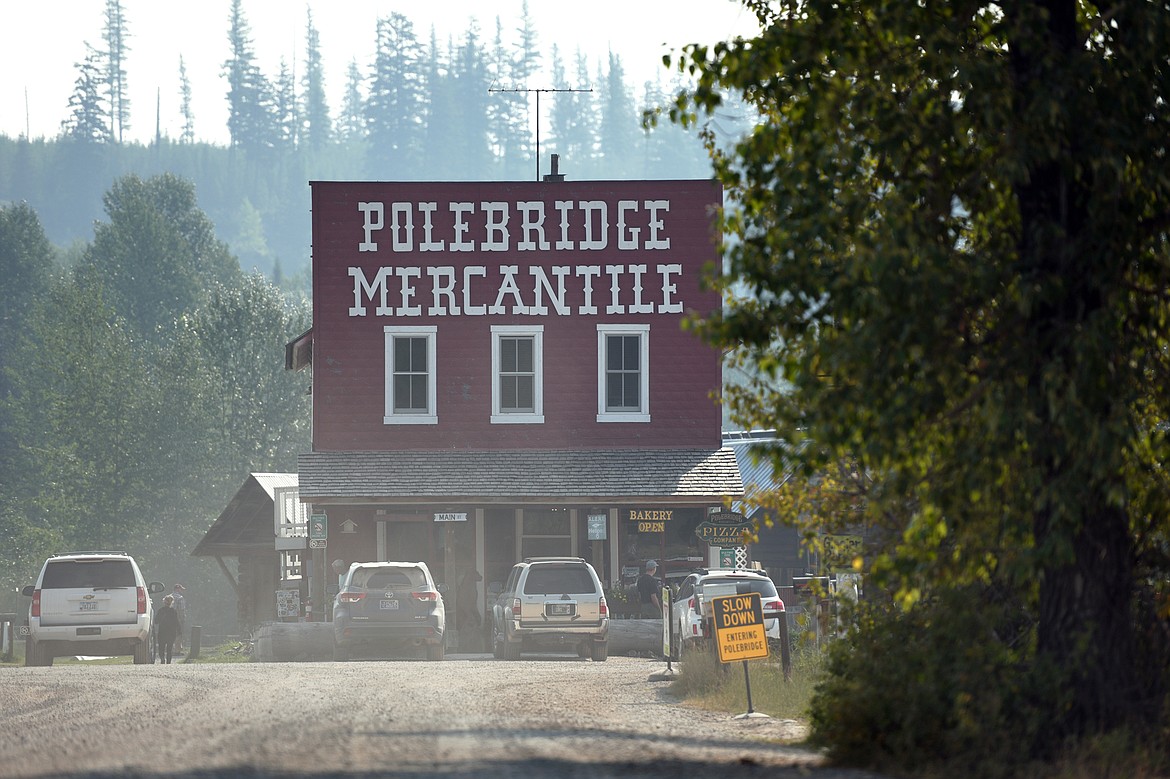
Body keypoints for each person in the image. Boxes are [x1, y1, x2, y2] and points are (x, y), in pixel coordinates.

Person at [456, 570, 483, 652]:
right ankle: (464, 649)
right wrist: (469, 614)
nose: (480, 577)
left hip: (470, 614)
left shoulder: (471, 586)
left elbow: (473, 603)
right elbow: (462, 602)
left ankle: (473, 648)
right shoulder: (466, 588)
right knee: (467, 631)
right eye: (477, 574)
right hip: (465, 615)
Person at [155, 595, 182, 664]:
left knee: (161, 647)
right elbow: (177, 622)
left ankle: (162, 659)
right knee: (169, 648)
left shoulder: (161, 610)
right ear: (172, 602)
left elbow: (156, 621)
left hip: (162, 631)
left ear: (164, 602)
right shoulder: (173, 611)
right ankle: (168, 661)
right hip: (171, 632)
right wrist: (179, 631)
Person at [170, 584, 187, 652]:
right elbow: (181, 609)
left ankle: (170, 648)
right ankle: (177, 649)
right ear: (177, 589)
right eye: (181, 589)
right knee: (178, 633)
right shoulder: (180, 598)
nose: (181, 591)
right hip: (177, 617)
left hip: (168, 618)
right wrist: (183, 618)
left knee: (170, 633)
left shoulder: (168, 597)